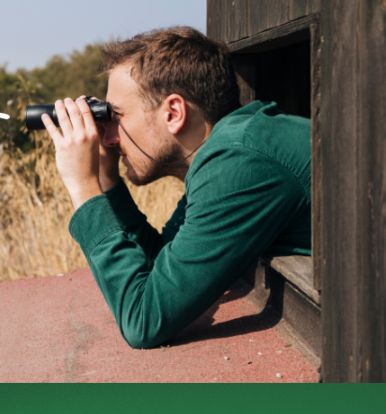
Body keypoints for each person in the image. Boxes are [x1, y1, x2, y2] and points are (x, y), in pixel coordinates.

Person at [40, 26, 311, 349]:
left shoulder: (238, 162)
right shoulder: (227, 149)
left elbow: (144, 320)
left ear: (173, 113)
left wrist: (83, 187)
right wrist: (106, 177)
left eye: (117, 116)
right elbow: (159, 265)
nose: (109, 136)